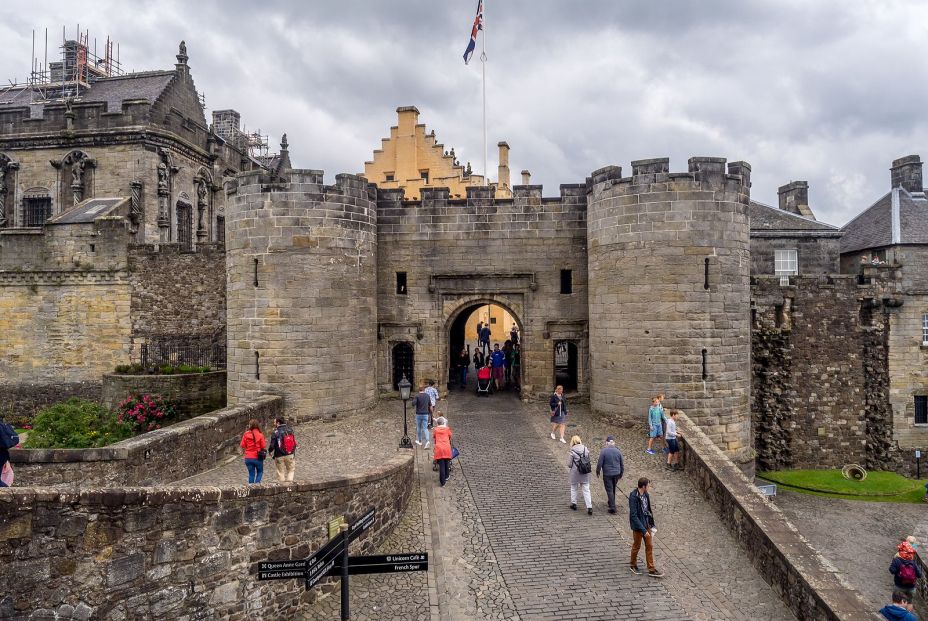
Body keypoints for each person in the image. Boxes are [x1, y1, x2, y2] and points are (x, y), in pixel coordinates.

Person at [629, 477, 664, 577]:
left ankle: (651, 569)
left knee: (649, 546)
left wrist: (651, 523)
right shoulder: (633, 497)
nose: (649, 487)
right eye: (648, 485)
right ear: (643, 486)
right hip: (638, 526)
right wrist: (643, 530)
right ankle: (633, 564)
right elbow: (633, 516)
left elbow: (648, 509)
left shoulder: (646, 495)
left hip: (646, 523)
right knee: (637, 546)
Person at [596, 436, 625, 514]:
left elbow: (599, 463)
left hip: (607, 474)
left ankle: (613, 507)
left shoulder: (604, 451)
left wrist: (597, 471)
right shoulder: (618, 451)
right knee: (613, 488)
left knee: (609, 489)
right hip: (617, 473)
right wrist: (621, 473)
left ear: (606, 443)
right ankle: (611, 502)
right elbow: (622, 464)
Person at [567, 435, 593, 515]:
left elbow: (569, 464)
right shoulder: (586, 449)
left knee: (574, 488)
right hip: (585, 472)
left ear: (572, 442)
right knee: (586, 490)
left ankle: (574, 504)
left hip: (575, 473)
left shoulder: (572, 451)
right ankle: (589, 507)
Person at [270, 416, 297, 482]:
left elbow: (272, 445)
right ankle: (289, 485)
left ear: (278, 423)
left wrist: (270, 451)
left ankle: (282, 487)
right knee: (291, 470)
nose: (274, 423)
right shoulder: (290, 429)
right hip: (290, 453)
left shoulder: (275, 432)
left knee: (280, 472)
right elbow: (293, 441)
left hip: (279, 455)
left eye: (274, 422)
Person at [240, 419, 267, 484]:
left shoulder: (246, 434)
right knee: (260, 472)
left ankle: (251, 489)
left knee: (251, 474)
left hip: (248, 457)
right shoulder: (260, 435)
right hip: (257, 457)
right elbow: (263, 446)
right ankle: (257, 486)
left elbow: (242, 445)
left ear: (250, 425)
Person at [432, 416, 453, 486]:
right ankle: (447, 476)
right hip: (446, 447)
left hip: (439, 448)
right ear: (444, 423)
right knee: (446, 461)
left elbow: (434, 436)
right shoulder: (447, 429)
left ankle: (442, 481)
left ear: (437, 423)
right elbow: (450, 436)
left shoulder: (435, 430)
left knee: (441, 465)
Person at [413, 383, 433, 448]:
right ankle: (427, 441)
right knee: (425, 428)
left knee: (419, 428)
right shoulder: (427, 396)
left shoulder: (417, 396)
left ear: (419, 389)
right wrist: (431, 413)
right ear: (424, 389)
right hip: (425, 414)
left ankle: (420, 441)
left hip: (419, 414)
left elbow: (413, 403)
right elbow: (430, 405)